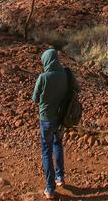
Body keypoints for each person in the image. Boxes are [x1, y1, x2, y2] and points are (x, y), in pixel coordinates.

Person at [31, 49, 78, 198]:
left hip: (46, 119)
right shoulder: (66, 74)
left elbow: (35, 99)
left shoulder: (43, 77)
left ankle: (50, 189)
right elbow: (77, 89)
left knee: (46, 150)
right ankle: (60, 178)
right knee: (58, 144)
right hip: (61, 118)